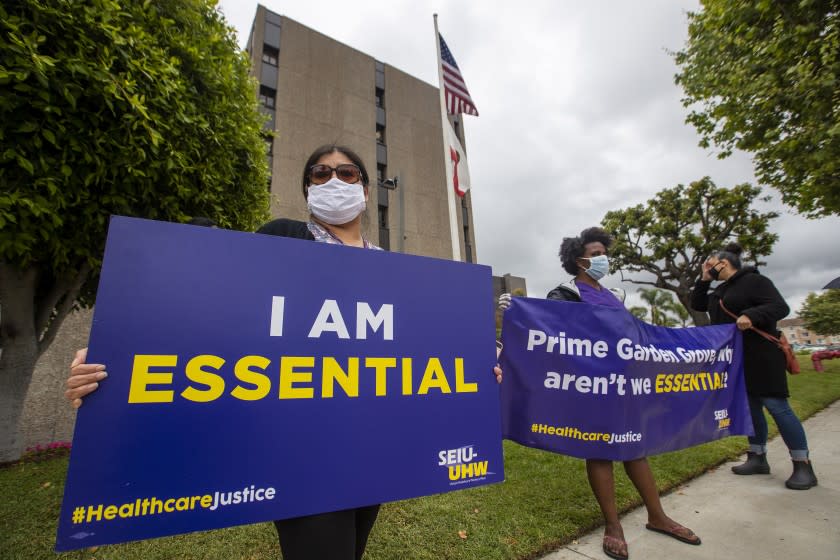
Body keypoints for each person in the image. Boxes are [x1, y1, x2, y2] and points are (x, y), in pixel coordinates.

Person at [68, 144, 496, 559]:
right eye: (320, 173)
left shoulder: (391, 267)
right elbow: (217, 308)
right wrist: (120, 350)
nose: (334, 180)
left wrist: (480, 366)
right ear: (308, 189)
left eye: (346, 173)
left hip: (370, 447)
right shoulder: (281, 238)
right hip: (299, 452)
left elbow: (421, 346)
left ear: (366, 191)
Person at [502, 227, 700, 560]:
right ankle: (614, 526)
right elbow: (549, 329)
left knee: (635, 448)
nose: (602, 259)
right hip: (590, 387)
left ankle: (658, 516)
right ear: (578, 259)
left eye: (603, 253)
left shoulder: (615, 297)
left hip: (623, 385)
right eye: (595, 255)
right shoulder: (565, 293)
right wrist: (517, 310)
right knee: (600, 450)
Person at [690, 242, 817, 490]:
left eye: (710, 264)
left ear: (723, 263)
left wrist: (751, 315)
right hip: (737, 359)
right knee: (750, 408)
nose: (708, 267)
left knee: (777, 406)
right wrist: (704, 278)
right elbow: (698, 304)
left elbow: (780, 307)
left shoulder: (755, 282)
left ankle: (802, 464)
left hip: (762, 356)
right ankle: (757, 456)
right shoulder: (721, 291)